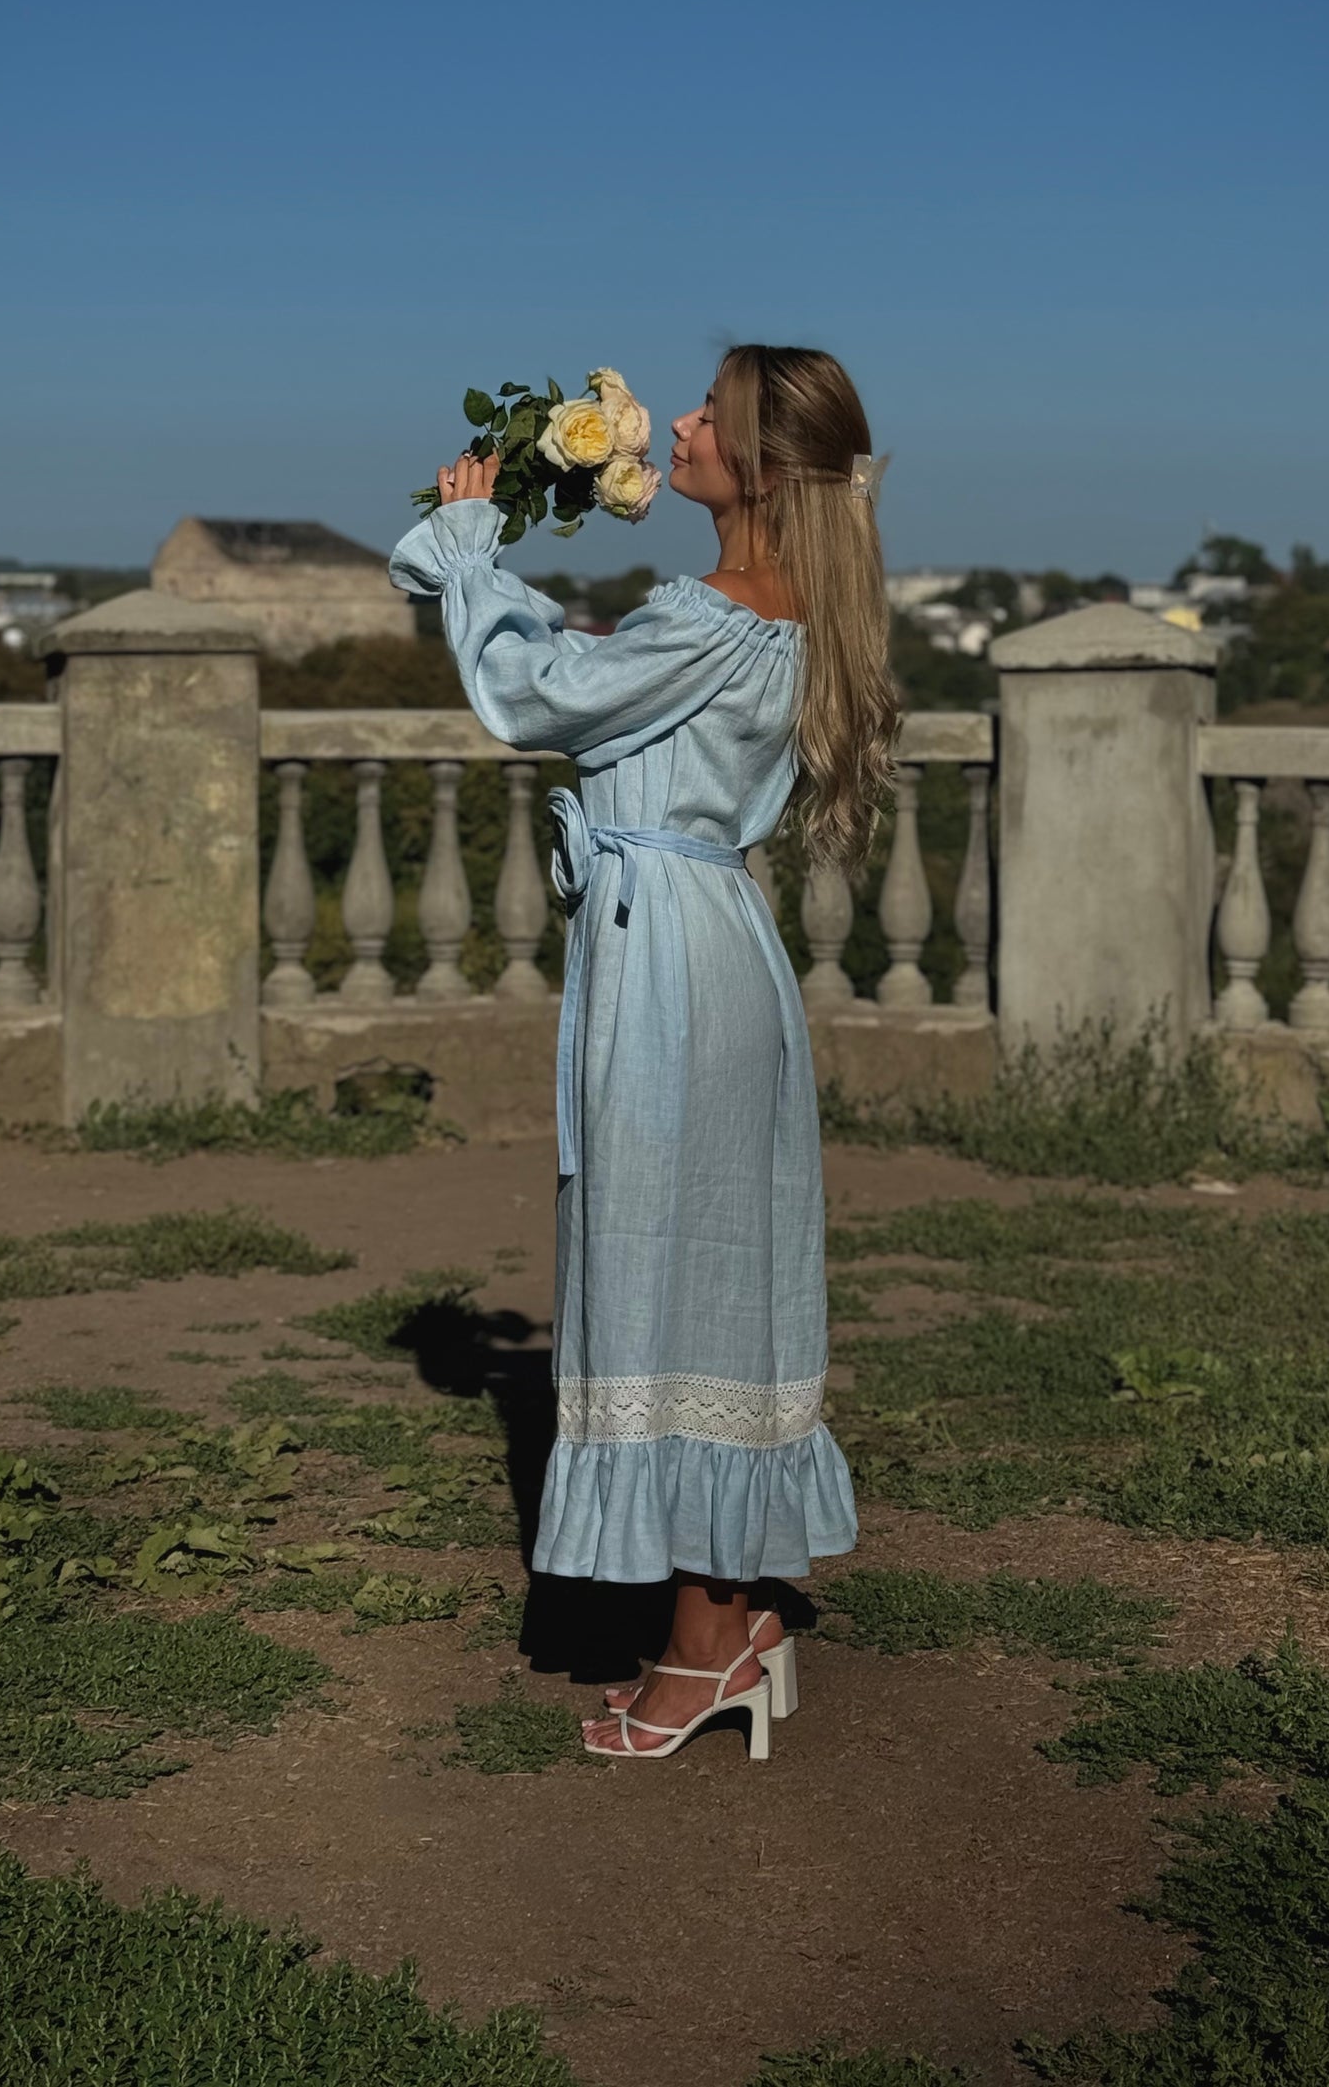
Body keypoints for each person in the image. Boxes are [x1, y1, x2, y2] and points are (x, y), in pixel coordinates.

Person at [387, 343, 898, 1760]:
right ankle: (722, 1616)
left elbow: (543, 697)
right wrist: (479, 560)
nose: (674, 423)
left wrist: (471, 549)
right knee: (695, 1264)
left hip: (670, 961)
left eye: (709, 417)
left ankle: (704, 1640)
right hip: (693, 933)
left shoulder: (719, 612)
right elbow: (595, 680)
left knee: (668, 1267)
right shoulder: (758, 610)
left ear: (761, 467)